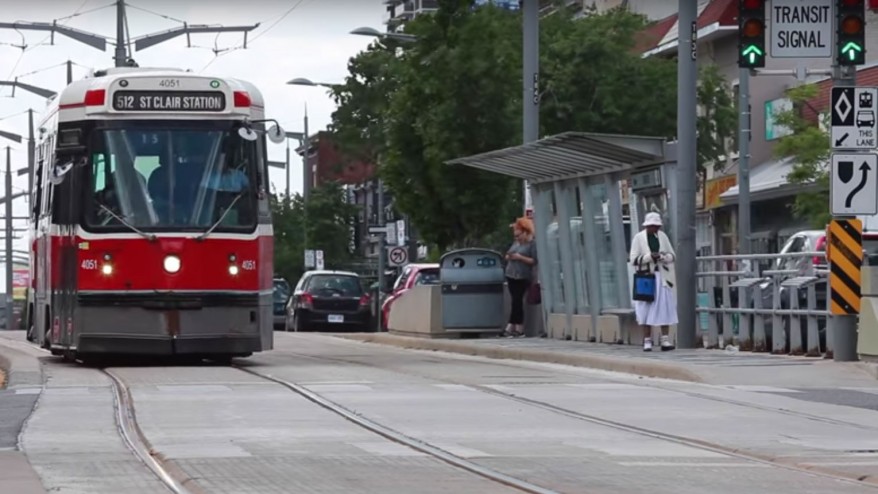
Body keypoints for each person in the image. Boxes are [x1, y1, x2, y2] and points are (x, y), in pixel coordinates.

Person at [629, 212, 677, 351]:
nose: (655, 229)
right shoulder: (639, 238)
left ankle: (665, 340)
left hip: (662, 276)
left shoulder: (663, 237)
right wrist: (649, 257)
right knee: (645, 308)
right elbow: (633, 259)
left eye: (657, 226)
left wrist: (663, 257)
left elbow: (672, 255)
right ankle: (647, 340)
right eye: (652, 226)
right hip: (646, 278)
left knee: (664, 306)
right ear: (647, 226)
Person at [502, 216, 538, 338]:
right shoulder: (516, 244)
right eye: (515, 236)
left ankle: (514, 327)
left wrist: (520, 257)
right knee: (515, 301)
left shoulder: (532, 244)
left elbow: (533, 261)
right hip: (511, 275)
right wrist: (510, 256)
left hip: (522, 276)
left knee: (517, 301)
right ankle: (515, 327)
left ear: (526, 233)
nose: (517, 238)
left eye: (518, 235)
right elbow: (507, 255)